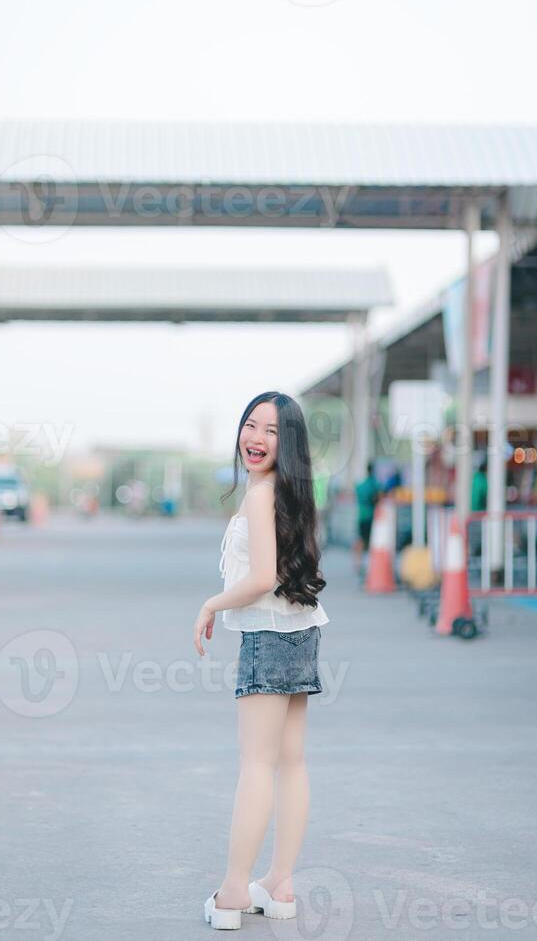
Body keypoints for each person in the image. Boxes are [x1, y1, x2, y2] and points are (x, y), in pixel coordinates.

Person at [193, 392, 330, 931]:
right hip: (302, 630)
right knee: (290, 761)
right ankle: (280, 883)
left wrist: (211, 603)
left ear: (288, 442)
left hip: (269, 636)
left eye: (271, 431)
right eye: (251, 426)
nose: (256, 438)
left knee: (256, 764)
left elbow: (260, 578)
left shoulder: (260, 494)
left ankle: (232, 893)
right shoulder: (291, 491)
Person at [353, 462, 380, 574]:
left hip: (361, 516)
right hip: (371, 516)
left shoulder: (361, 485)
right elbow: (380, 496)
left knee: (360, 539)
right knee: (370, 541)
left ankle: (358, 563)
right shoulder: (374, 484)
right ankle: (371, 565)